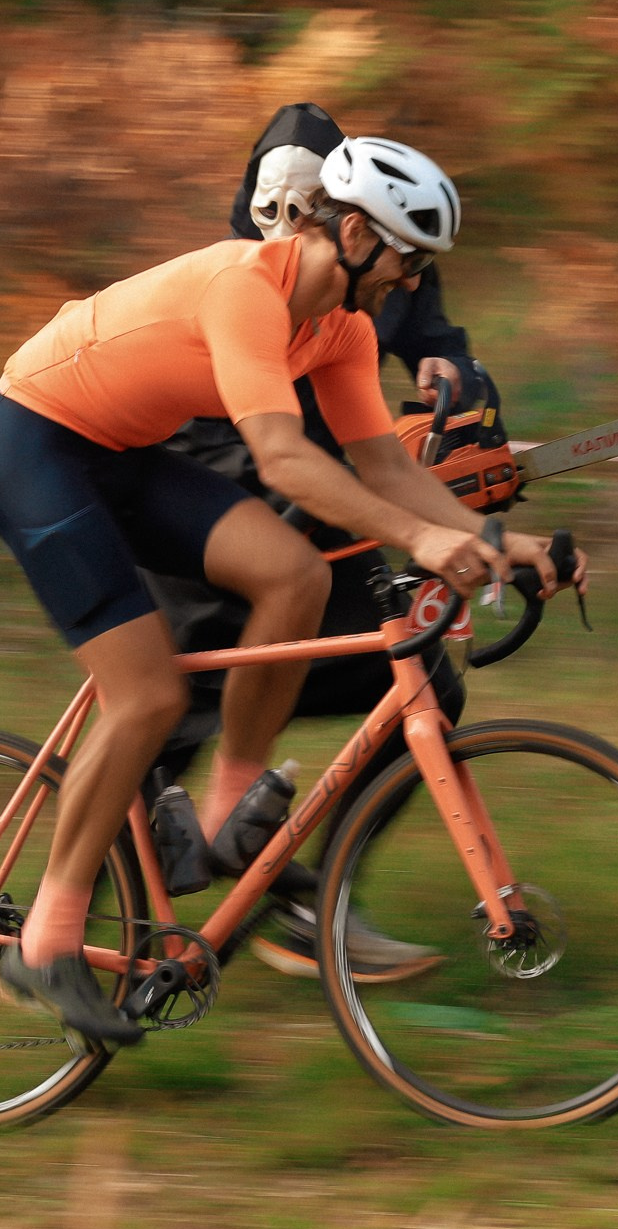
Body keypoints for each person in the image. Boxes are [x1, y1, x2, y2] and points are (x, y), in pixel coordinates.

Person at [0, 136, 582, 1046]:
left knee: (294, 575)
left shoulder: (342, 327)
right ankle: (45, 942)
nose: (413, 281)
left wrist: (502, 544)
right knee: (148, 696)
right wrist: (421, 539)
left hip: (124, 455)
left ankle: (228, 811)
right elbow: (283, 460)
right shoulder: (245, 289)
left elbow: (384, 467)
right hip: (38, 446)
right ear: (352, 234)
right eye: (407, 258)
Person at [145, 103, 499, 978]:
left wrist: (452, 376)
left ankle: (312, 903)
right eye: (277, 210)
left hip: (329, 507)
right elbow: (246, 438)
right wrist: (374, 504)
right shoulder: (242, 281)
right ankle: (71, 931)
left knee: (422, 688)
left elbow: (427, 344)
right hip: (211, 505)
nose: (292, 225)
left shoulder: (379, 268)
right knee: (162, 719)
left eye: (310, 209)